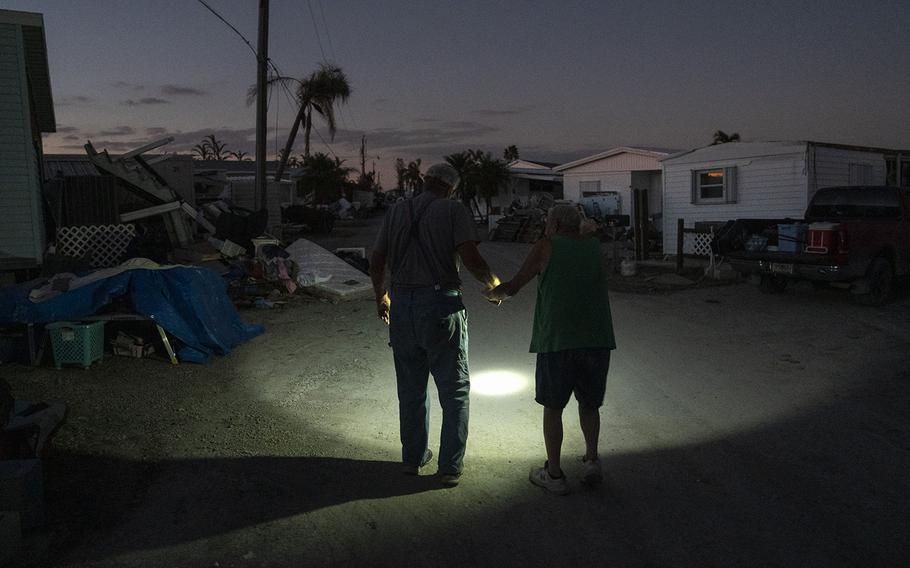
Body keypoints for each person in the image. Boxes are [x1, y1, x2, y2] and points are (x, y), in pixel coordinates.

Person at [369, 163, 500, 487]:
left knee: (411, 390)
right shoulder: (453, 210)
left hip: (402, 308)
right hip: (440, 304)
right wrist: (492, 284)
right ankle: (450, 467)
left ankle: (412, 460)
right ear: (451, 188)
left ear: (425, 181)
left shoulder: (397, 210)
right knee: (454, 391)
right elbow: (470, 258)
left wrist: (381, 297)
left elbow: (377, 258)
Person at [487, 204, 616, 495]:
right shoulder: (595, 247)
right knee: (590, 404)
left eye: (547, 222)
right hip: (597, 338)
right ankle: (592, 460)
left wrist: (492, 293)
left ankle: (554, 474)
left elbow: (514, 285)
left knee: (553, 407)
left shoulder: (546, 246)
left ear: (555, 224)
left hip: (558, 340)